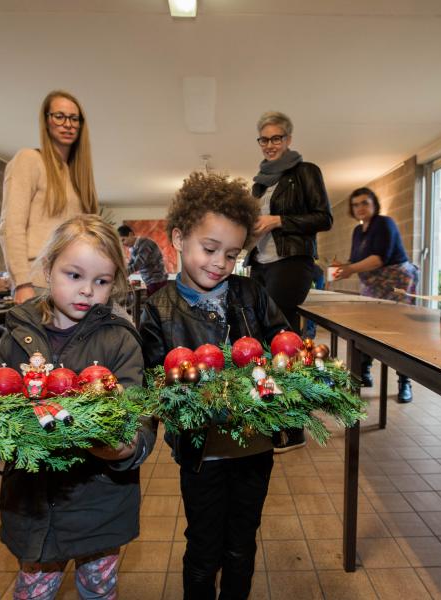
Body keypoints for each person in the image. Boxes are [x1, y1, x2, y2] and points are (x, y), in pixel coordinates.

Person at [0, 215, 154, 600]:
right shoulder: (17, 333)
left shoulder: (120, 341)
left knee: (98, 589)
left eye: (101, 281)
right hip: (32, 503)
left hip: (99, 503)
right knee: (34, 591)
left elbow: (137, 414)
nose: (87, 291)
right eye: (74, 275)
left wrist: (125, 445)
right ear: (48, 268)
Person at [140, 172, 289, 600]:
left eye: (231, 253)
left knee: (242, 544)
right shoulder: (157, 310)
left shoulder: (251, 293)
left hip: (255, 448)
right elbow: (157, 383)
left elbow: (282, 344)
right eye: (209, 249)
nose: (220, 263)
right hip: (202, 455)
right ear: (179, 238)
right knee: (204, 548)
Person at [246, 111, 333, 452]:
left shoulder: (305, 172)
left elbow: (323, 217)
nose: (270, 145)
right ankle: (272, 416)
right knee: (261, 341)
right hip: (261, 264)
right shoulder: (258, 183)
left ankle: (294, 426)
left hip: (291, 262)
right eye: (264, 139)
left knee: (282, 339)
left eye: (276, 138)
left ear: (289, 139)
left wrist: (277, 220)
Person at [0, 90, 99, 305]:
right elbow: (11, 227)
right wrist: (22, 283)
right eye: (59, 116)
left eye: (74, 118)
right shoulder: (29, 159)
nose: (68, 124)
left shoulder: (78, 176)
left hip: (75, 282)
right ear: (46, 121)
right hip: (37, 283)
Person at [333, 187, 419, 403]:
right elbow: (356, 261)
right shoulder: (357, 231)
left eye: (365, 203)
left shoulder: (384, 223)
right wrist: (343, 267)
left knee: (399, 334)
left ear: (374, 204)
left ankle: (404, 383)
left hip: (397, 283)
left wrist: (351, 269)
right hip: (372, 284)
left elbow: (379, 258)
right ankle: (365, 372)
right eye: (356, 204)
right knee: (368, 327)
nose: (360, 208)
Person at [117, 224, 168, 297]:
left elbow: (137, 264)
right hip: (151, 281)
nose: (123, 244)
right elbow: (131, 263)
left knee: (154, 306)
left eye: (123, 240)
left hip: (157, 281)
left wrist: (122, 275)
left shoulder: (145, 244)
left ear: (130, 234)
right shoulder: (134, 248)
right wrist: (122, 271)